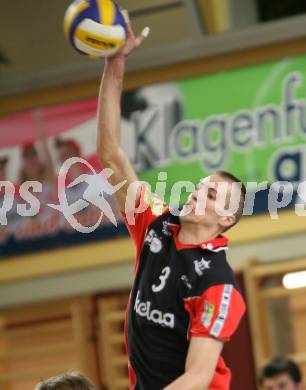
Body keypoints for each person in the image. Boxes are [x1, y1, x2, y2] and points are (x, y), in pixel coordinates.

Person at [96, 14, 246, 390]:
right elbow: (111, 152)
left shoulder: (217, 284)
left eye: (211, 194)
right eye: (200, 186)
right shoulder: (156, 224)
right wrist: (115, 66)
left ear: (226, 218)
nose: (196, 193)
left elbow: (197, 378)